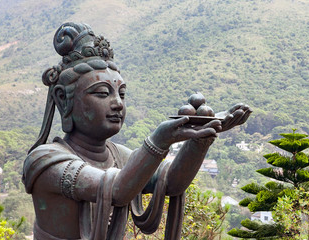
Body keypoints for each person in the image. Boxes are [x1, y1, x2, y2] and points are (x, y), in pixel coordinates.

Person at [22, 22, 252, 240]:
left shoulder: (119, 155)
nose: (117, 104)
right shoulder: (45, 160)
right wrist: (159, 141)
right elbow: (116, 190)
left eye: (121, 94)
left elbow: (171, 182)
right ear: (63, 99)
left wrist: (201, 138)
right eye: (102, 93)